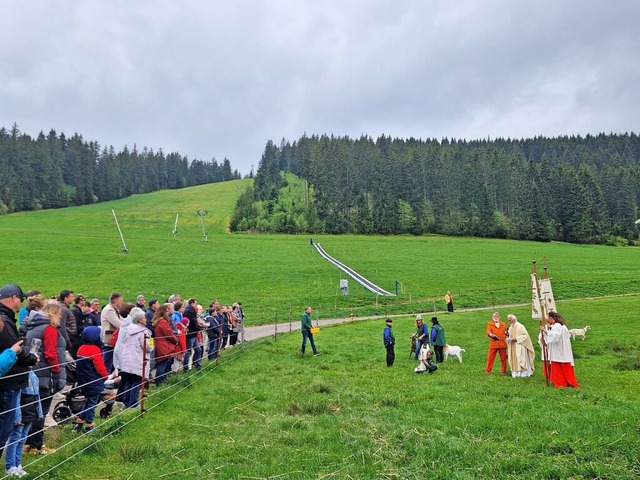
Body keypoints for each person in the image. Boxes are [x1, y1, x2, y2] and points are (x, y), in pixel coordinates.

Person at [23, 298, 66, 455]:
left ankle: (28, 442)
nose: (61, 317)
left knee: (33, 409)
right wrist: (57, 370)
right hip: (46, 375)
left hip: (34, 372)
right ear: (53, 313)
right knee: (41, 412)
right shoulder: (49, 329)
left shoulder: (34, 327)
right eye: (60, 314)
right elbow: (50, 353)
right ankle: (37, 445)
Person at [0, 284, 38, 460]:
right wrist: (30, 357)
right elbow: (13, 348)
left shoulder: (6, 319)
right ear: (13, 298)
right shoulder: (3, 320)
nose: (21, 304)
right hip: (7, 382)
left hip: (9, 379)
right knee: (4, 429)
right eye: (21, 299)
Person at [4, 369, 43, 477]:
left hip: (31, 413)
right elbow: (16, 398)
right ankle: (10, 466)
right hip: (21, 413)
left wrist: (39, 412)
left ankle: (17, 464)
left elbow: (37, 396)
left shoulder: (34, 375)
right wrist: (17, 416)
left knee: (23, 439)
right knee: (15, 438)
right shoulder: (20, 375)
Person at [72, 326, 109, 433]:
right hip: (94, 381)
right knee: (92, 404)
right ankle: (89, 425)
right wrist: (105, 376)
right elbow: (99, 366)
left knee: (88, 402)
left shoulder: (81, 348)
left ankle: (79, 421)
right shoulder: (95, 350)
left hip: (83, 381)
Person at [114, 308, 151, 408]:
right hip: (137, 360)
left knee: (129, 381)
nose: (146, 319)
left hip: (127, 359)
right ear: (139, 320)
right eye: (144, 318)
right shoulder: (144, 332)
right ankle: (133, 403)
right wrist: (152, 343)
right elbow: (147, 347)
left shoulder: (129, 329)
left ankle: (126, 402)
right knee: (136, 382)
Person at [539, 311, 579, 388]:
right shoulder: (561, 326)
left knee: (558, 367)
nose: (548, 320)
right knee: (563, 366)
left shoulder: (556, 326)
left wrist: (545, 331)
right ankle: (565, 382)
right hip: (562, 349)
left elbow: (556, 336)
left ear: (551, 318)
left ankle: (561, 383)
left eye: (548, 318)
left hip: (558, 350)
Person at [152, 304, 179, 386]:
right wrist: (176, 340)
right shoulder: (163, 322)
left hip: (161, 344)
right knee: (162, 365)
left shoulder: (159, 321)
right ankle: (160, 383)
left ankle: (161, 381)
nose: (169, 313)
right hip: (164, 345)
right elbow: (169, 334)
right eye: (167, 311)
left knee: (162, 364)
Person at [101, 292, 124, 373]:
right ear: (116, 300)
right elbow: (119, 324)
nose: (122, 302)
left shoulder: (113, 309)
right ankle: (106, 379)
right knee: (108, 362)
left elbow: (123, 321)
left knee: (112, 362)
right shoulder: (109, 310)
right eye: (121, 300)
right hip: (110, 340)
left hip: (113, 339)